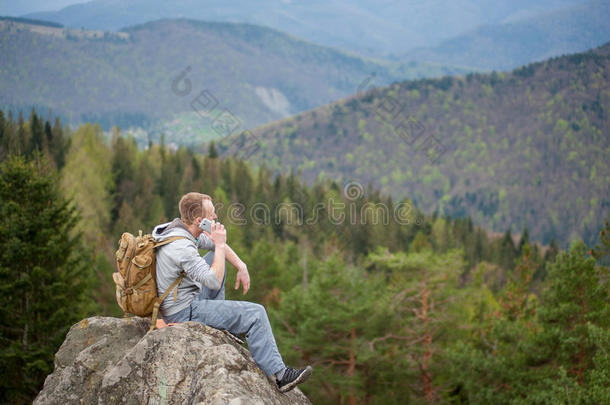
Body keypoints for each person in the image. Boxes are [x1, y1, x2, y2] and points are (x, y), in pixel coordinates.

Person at [152, 192, 312, 393]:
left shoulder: (177, 229)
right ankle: (280, 376)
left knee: (216, 257)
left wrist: (241, 265)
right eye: (212, 214)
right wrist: (219, 244)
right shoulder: (181, 246)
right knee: (256, 313)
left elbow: (216, 249)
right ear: (199, 220)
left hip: (179, 299)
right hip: (183, 312)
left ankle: (222, 326)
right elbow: (214, 279)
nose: (216, 217)